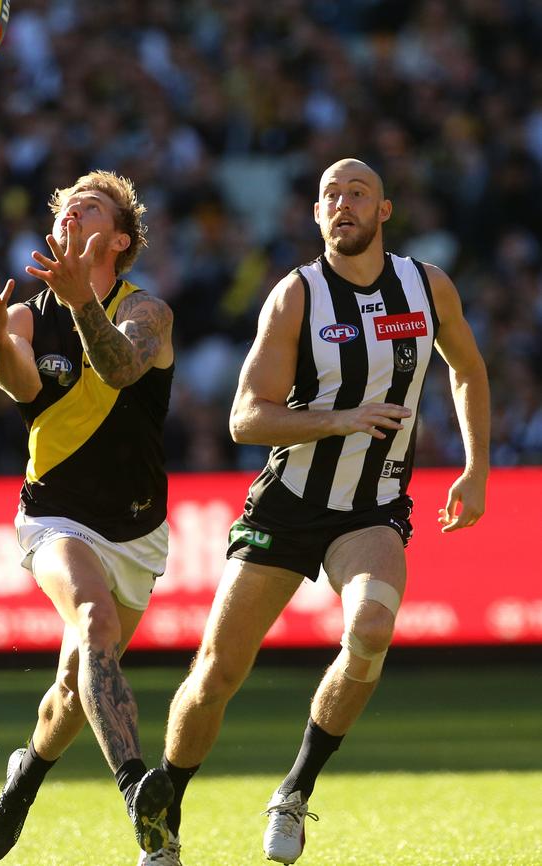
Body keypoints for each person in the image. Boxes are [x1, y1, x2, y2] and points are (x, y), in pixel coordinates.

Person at [154, 158, 490, 865]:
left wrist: (476, 466)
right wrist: (340, 420)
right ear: (315, 216)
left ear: (384, 210)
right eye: (330, 196)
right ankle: (165, 813)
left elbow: (467, 367)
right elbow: (246, 419)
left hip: (372, 508)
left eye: (357, 193)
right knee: (216, 673)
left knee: (370, 627)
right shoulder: (296, 296)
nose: (343, 204)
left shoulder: (426, 287)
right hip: (287, 505)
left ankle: (295, 791)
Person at [0, 170, 177, 864]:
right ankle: (139, 795)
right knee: (96, 623)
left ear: (120, 239)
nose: (74, 208)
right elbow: (20, 383)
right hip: (54, 517)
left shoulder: (149, 310)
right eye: (67, 204)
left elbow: (124, 368)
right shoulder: (25, 314)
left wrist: (81, 307)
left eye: (91, 205)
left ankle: (23, 780)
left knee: (74, 691)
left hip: (137, 530)